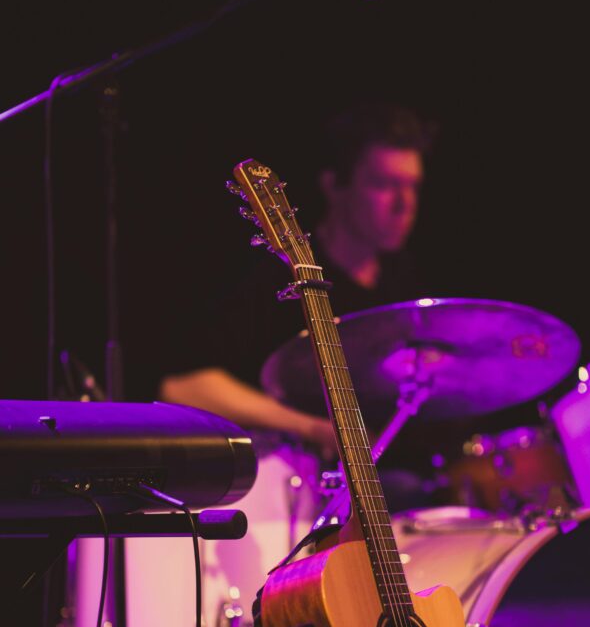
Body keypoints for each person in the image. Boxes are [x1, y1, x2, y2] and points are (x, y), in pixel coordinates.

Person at [157, 102, 436, 459]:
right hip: (292, 484)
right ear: (335, 185)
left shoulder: (405, 283)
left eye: (413, 186)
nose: (404, 204)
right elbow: (183, 386)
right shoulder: (277, 272)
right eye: (384, 185)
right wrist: (309, 428)